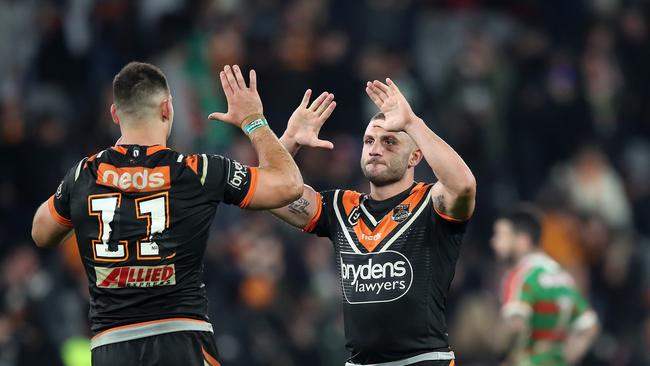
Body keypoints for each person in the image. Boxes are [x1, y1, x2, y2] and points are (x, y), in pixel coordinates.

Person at [30, 62, 303, 366]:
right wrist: (253, 120)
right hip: (182, 338)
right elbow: (289, 185)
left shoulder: (84, 175)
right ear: (167, 109)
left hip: (112, 346)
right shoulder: (198, 171)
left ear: (115, 114)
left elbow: (41, 233)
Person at [269, 78, 477, 365]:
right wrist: (288, 141)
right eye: (369, 141)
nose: (376, 149)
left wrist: (412, 123)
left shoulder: (430, 203)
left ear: (415, 156)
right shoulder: (341, 207)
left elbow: (464, 186)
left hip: (424, 360)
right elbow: (270, 194)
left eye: (389, 141)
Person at [491, 204, 599, 366]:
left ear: (523, 240)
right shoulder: (563, 277)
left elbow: (515, 325)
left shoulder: (521, 276)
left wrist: (501, 353)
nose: (494, 243)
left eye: (502, 236)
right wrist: (563, 358)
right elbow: (590, 327)